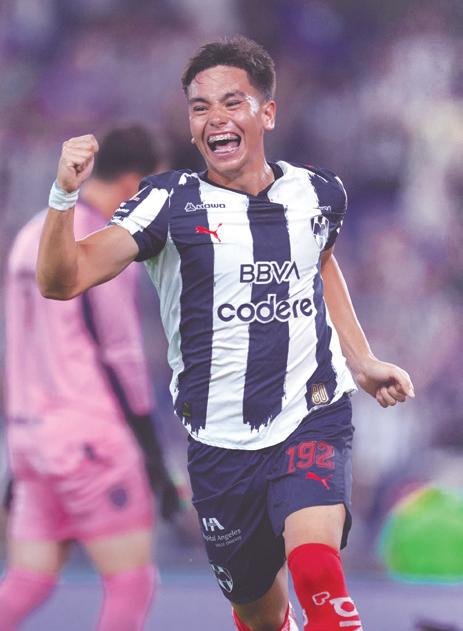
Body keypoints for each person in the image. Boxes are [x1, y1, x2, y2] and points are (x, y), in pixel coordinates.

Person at [34, 36, 415, 631]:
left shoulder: (319, 193)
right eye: (200, 107)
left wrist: (360, 359)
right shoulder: (167, 204)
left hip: (310, 412)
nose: (215, 118)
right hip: (219, 446)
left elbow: (319, 259)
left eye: (232, 102)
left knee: (317, 573)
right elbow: (62, 281)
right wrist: (64, 195)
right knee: (261, 616)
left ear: (267, 113)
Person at [0, 125, 181, 631]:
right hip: (90, 437)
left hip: (31, 439)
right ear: (132, 185)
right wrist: (152, 452)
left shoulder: (33, 233)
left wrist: (18, 453)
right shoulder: (101, 244)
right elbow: (119, 353)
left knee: (29, 580)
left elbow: (16, 349)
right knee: (132, 583)